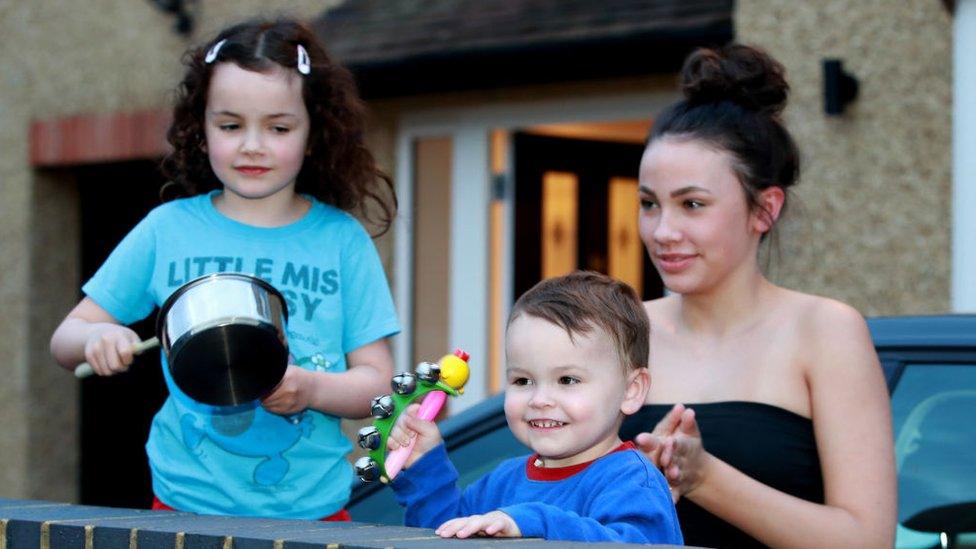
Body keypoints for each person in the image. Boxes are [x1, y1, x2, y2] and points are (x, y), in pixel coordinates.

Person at [49, 18, 400, 520]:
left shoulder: (342, 241)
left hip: (312, 517)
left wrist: (313, 389)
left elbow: (378, 385)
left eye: (278, 127)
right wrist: (94, 340)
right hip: (183, 510)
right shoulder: (166, 229)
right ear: (201, 126)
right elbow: (66, 338)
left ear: (314, 133)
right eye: (230, 125)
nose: (252, 145)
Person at [620, 44, 896, 547]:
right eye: (648, 204)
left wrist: (704, 477)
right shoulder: (620, 330)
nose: (663, 230)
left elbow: (867, 539)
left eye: (692, 204)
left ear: (764, 209)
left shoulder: (824, 332)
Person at [387, 271, 683, 544]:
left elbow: (632, 543)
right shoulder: (502, 481)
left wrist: (532, 523)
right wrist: (425, 466)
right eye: (523, 380)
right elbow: (441, 536)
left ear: (631, 390)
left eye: (567, 379)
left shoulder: (633, 481)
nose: (539, 399)